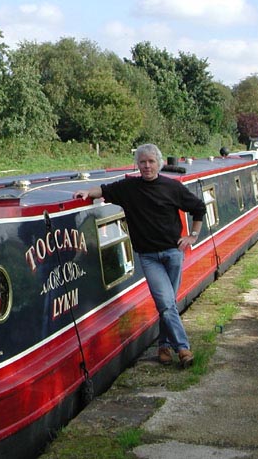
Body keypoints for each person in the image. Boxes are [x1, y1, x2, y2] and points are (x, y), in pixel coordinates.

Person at [74, 144, 206, 368]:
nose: (147, 166)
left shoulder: (172, 187)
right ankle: (183, 348)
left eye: (151, 161)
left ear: (159, 163)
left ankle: (163, 346)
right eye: (142, 162)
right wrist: (87, 193)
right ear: (137, 164)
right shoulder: (129, 188)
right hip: (149, 257)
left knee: (168, 304)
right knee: (165, 302)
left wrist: (192, 235)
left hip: (173, 253)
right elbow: (103, 190)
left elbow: (199, 208)